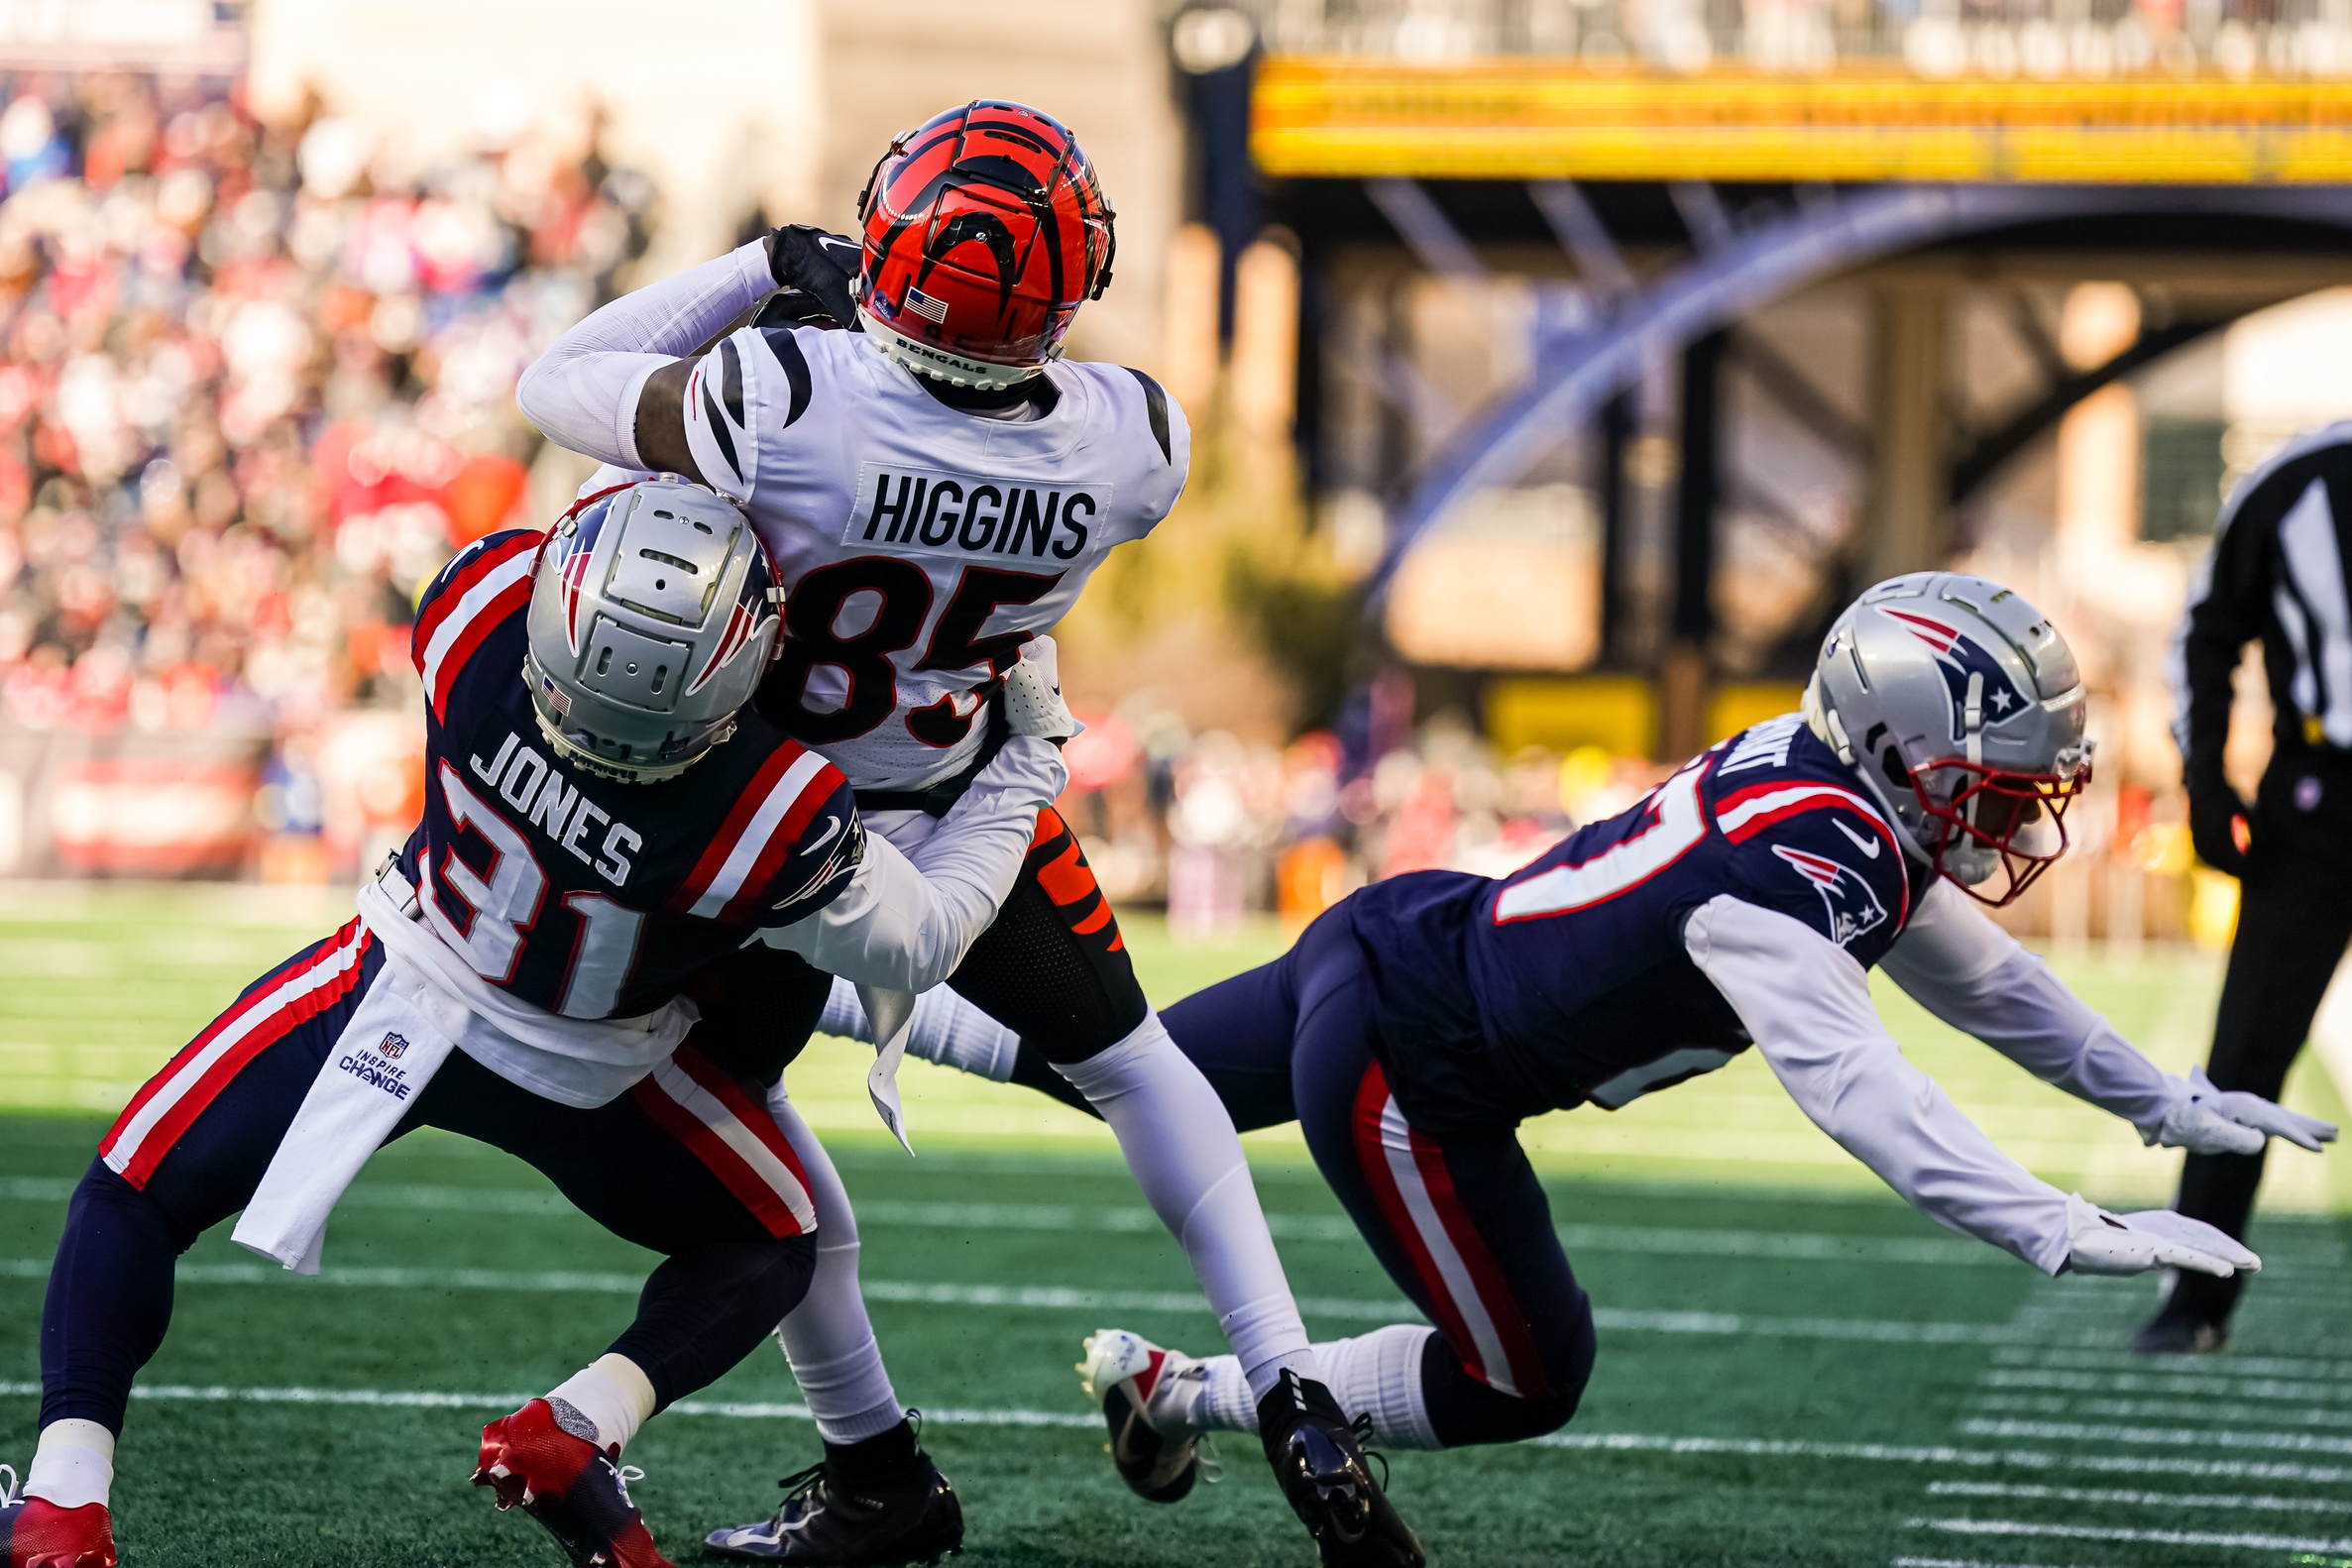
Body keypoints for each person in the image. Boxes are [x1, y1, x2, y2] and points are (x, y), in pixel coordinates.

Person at [823, 573, 2334, 1482]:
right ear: (1898, 745)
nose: (2006, 811)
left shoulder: (1820, 787)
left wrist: (2165, 1102)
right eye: (1991, 779)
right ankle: (1201, 1391)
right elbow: (1861, 1091)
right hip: (1418, 1062)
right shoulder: (1788, 865)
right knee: (1524, 1376)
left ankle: (808, 989)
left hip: (1399, 940)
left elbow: (1977, 975)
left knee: (1109, 1069)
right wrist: (2055, 1225)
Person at [516, 101, 1419, 1567]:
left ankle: (873, 1465)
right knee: (1136, 1066)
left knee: (762, 1140)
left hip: (777, 831)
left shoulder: (788, 393)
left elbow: (557, 377)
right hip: (965, 811)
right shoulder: (1134, 441)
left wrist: (763, 264)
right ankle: (1289, 1385)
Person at [0, 477, 1072, 1568]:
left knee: (133, 1187)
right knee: (777, 1234)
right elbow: (926, 940)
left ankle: (64, 1501)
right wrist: (1029, 760)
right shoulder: (775, 808)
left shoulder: (473, 609)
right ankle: (581, 1421)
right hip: (596, 1067)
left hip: (400, 981)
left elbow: (595, 435)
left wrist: (750, 309)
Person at [2142, 421, 2352, 1354]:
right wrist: (2203, 784)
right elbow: (2205, 634)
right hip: (2317, 803)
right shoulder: (2291, 483)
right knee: (2245, 1055)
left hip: (2307, 801)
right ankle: (2194, 1298)